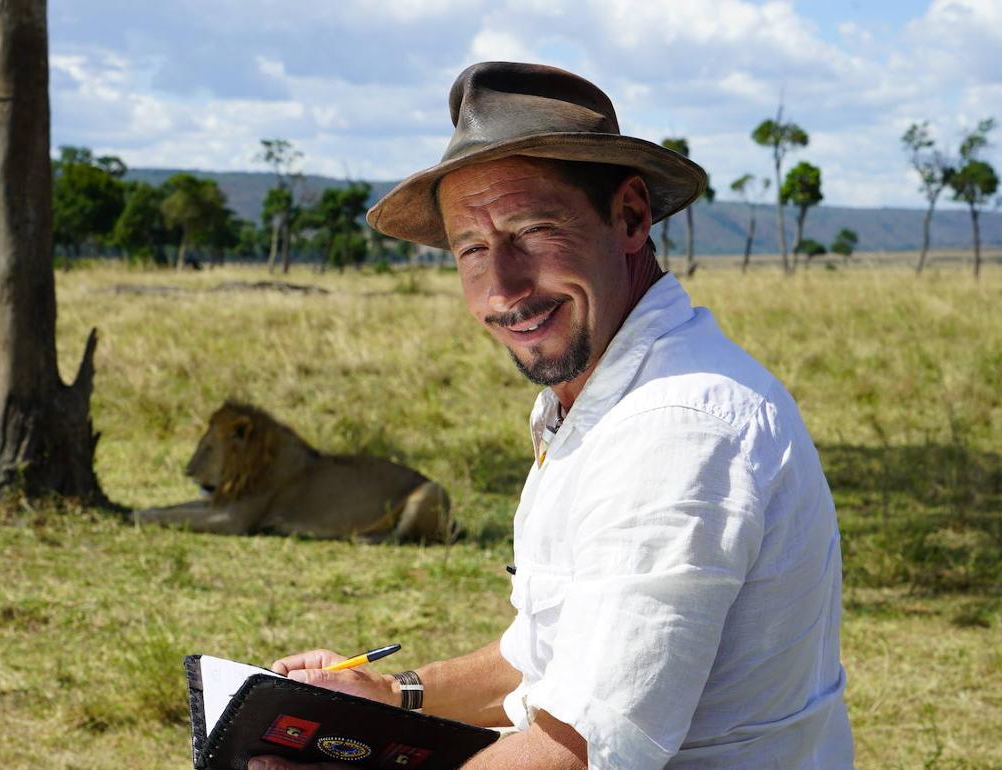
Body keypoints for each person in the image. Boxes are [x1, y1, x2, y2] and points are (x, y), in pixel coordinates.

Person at [248, 62, 853, 770]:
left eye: (532, 231)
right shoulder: (599, 396)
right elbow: (553, 656)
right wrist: (387, 693)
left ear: (629, 217)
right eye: (472, 249)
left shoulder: (676, 428)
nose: (503, 289)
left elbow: (579, 754)